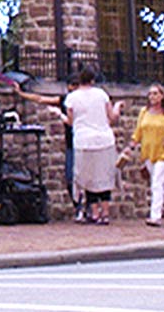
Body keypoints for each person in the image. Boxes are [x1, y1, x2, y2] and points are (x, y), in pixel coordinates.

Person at [48, 67, 120, 224]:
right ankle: (105, 212)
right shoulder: (102, 95)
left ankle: (94, 212)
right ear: (93, 80)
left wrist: (58, 114)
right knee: (104, 176)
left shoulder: (72, 98)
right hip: (104, 140)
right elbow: (112, 117)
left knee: (88, 177)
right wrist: (118, 108)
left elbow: (71, 121)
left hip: (83, 141)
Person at [130, 84, 164, 226]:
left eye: (155, 94)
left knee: (156, 183)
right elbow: (138, 132)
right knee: (162, 185)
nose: (152, 97)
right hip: (148, 152)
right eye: (150, 94)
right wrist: (132, 145)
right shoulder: (144, 112)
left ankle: (156, 215)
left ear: (162, 96)